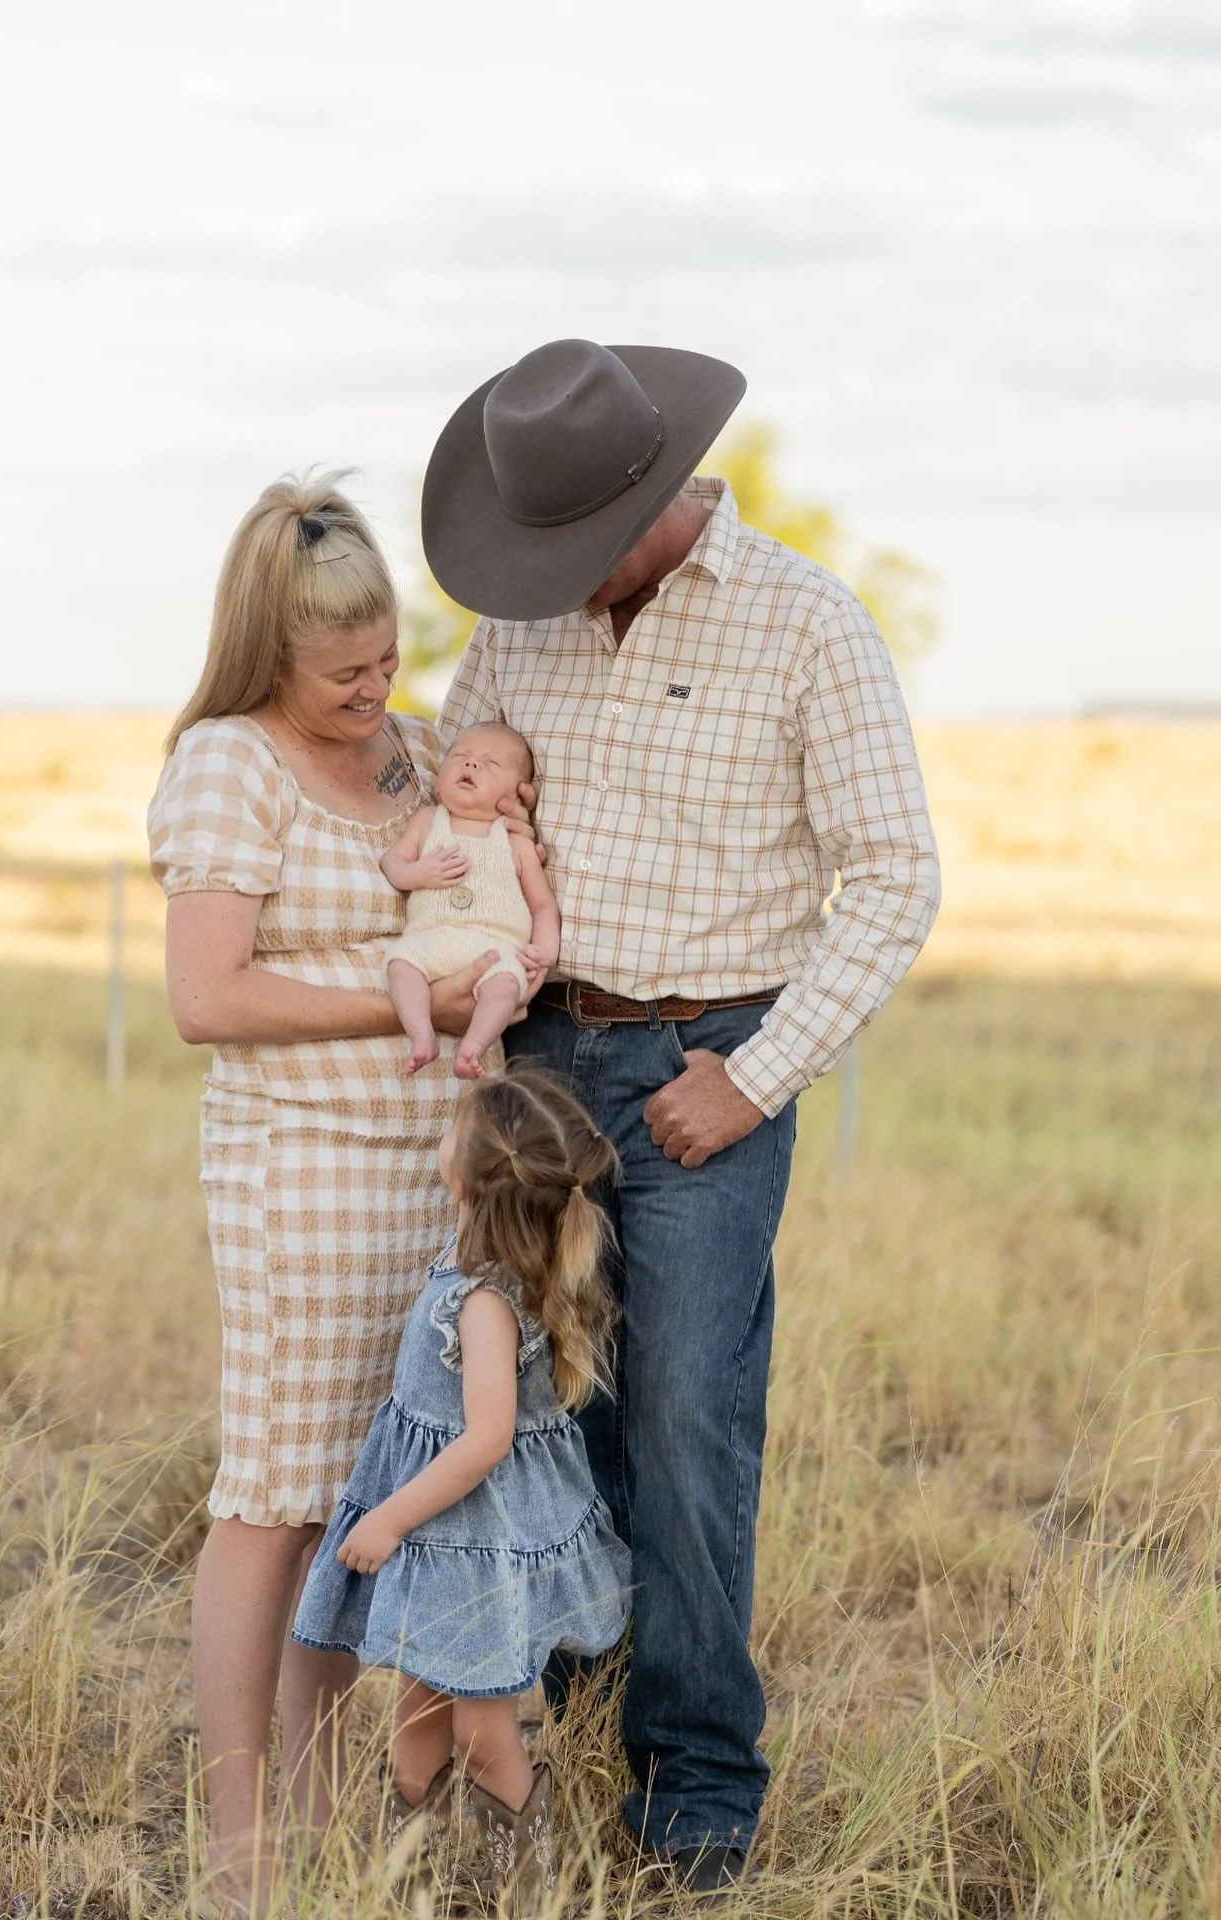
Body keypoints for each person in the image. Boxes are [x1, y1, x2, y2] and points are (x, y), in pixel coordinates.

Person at [422, 338, 943, 1894]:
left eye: (578, 546)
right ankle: (572, 1725)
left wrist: (758, 1075)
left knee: (691, 1426)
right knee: (552, 1413)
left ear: (659, 499)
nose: (554, 579)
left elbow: (897, 874)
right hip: (542, 1063)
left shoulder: (806, 625)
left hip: (712, 1060)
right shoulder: (520, 623)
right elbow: (460, 799)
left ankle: (698, 1798)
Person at [146, 475, 518, 1915]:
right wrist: (397, 1000)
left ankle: (319, 1808)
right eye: (343, 673)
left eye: (387, 662)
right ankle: (245, 1845)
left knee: (375, 1493)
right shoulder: (229, 765)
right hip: (298, 1164)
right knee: (276, 1494)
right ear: (270, 656)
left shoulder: (422, 754)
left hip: (433, 1178)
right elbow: (205, 994)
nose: (378, 692)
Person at [291, 1067, 631, 1908]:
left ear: (470, 1174)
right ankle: (424, 1884)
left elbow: (484, 1439)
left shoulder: (483, 1301)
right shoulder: (471, 1261)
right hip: (446, 1552)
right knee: (415, 1734)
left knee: (484, 1732)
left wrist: (388, 1522)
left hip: (466, 1544)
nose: (439, 1141)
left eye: (452, 1131)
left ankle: (529, 1890)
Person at [382, 722, 559, 1078]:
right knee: (401, 965)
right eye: (460, 757)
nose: (471, 765)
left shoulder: (514, 839)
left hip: (495, 948)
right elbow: (392, 862)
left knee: (505, 987)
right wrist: (418, 874)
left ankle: (473, 1047)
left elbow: (543, 906)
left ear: (517, 794)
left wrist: (544, 952)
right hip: (432, 938)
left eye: (490, 764)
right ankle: (421, 1034)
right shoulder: (429, 821)